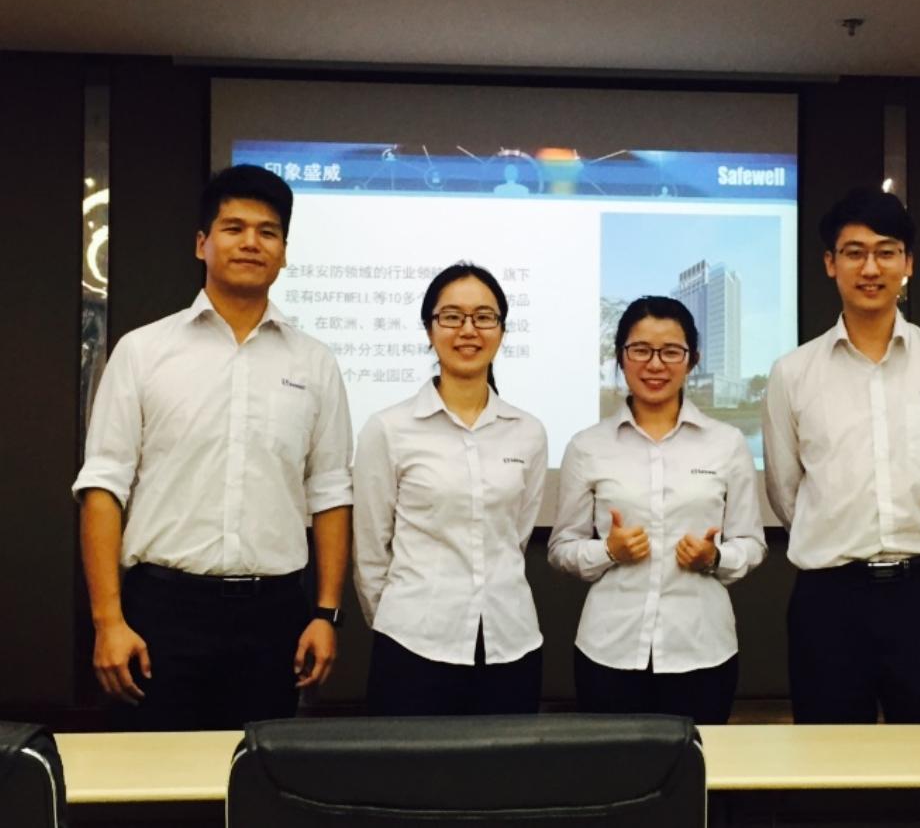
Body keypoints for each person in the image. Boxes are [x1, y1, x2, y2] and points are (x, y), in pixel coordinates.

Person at [73, 164, 353, 730]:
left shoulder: (315, 362)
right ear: (202, 243)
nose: (251, 242)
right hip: (161, 612)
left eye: (268, 232)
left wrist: (326, 614)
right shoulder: (143, 351)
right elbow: (103, 487)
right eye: (234, 228)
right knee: (155, 774)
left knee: (258, 772)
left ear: (284, 253)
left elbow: (329, 492)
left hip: (274, 616)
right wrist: (108, 620)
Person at [763, 187, 920, 724]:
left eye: (886, 252)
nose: (870, 268)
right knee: (828, 756)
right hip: (828, 601)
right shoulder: (792, 373)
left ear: (908, 263)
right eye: (854, 252)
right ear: (830, 263)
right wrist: (838, 538)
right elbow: (785, 489)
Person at [550, 296, 766, 724]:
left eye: (670, 351)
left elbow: (752, 543)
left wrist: (715, 558)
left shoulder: (726, 443)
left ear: (692, 360)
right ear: (620, 357)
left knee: (699, 762)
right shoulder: (588, 446)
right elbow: (561, 548)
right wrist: (608, 551)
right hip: (609, 649)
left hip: (701, 648)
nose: (655, 364)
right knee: (613, 764)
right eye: (640, 350)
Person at [353, 262, 548, 716]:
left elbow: (515, 537)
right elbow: (371, 552)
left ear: (501, 331)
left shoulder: (528, 432)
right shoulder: (388, 428)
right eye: (452, 316)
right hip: (413, 646)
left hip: (510, 643)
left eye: (484, 317)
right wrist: (402, 617)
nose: (468, 330)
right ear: (429, 329)